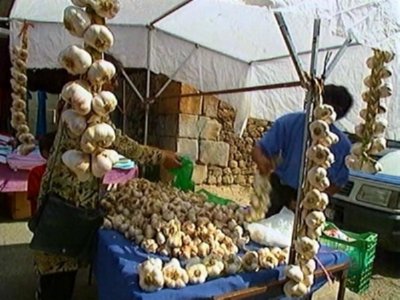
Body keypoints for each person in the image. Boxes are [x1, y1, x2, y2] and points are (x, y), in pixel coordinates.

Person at [33, 55, 182, 300]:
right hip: (66, 204)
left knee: (55, 270)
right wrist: (161, 156)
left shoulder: (78, 104)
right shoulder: (85, 109)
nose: (114, 87)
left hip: (63, 200)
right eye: (113, 82)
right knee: (58, 273)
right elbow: (124, 144)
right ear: (100, 79)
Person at [252, 84, 353, 217]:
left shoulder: (342, 144)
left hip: (311, 200)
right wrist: (263, 163)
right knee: (265, 231)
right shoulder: (289, 123)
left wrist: (312, 198)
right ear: (318, 102)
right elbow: (258, 150)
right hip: (279, 192)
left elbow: (339, 182)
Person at [27, 132, 56, 215]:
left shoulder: (36, 172)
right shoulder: (37, 172)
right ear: (45, 153)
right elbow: (36, 198)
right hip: (43, 219)